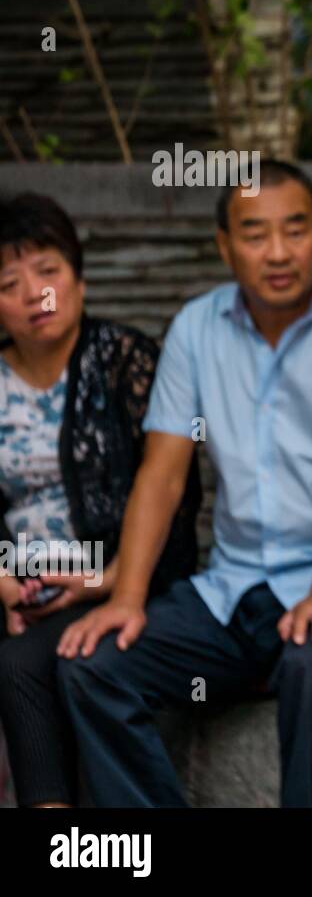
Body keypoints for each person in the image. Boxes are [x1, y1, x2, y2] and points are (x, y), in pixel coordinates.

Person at [55, 160, 312, 807]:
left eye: (294, 229)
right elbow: (162, 472)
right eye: (254, 233)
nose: (278, 252)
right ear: (225, 245)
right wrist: (127, 595)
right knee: (93, 666)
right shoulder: (196, 327)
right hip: (231, 587)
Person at [0, 193, 199, 808]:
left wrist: (103, 578)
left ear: (80, 279)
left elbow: (175, 493)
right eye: (9, 282)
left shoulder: (126, 362)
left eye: (49, 272)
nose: (36, 294)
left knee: (25, 662)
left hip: (120, 576)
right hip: (20, 579)